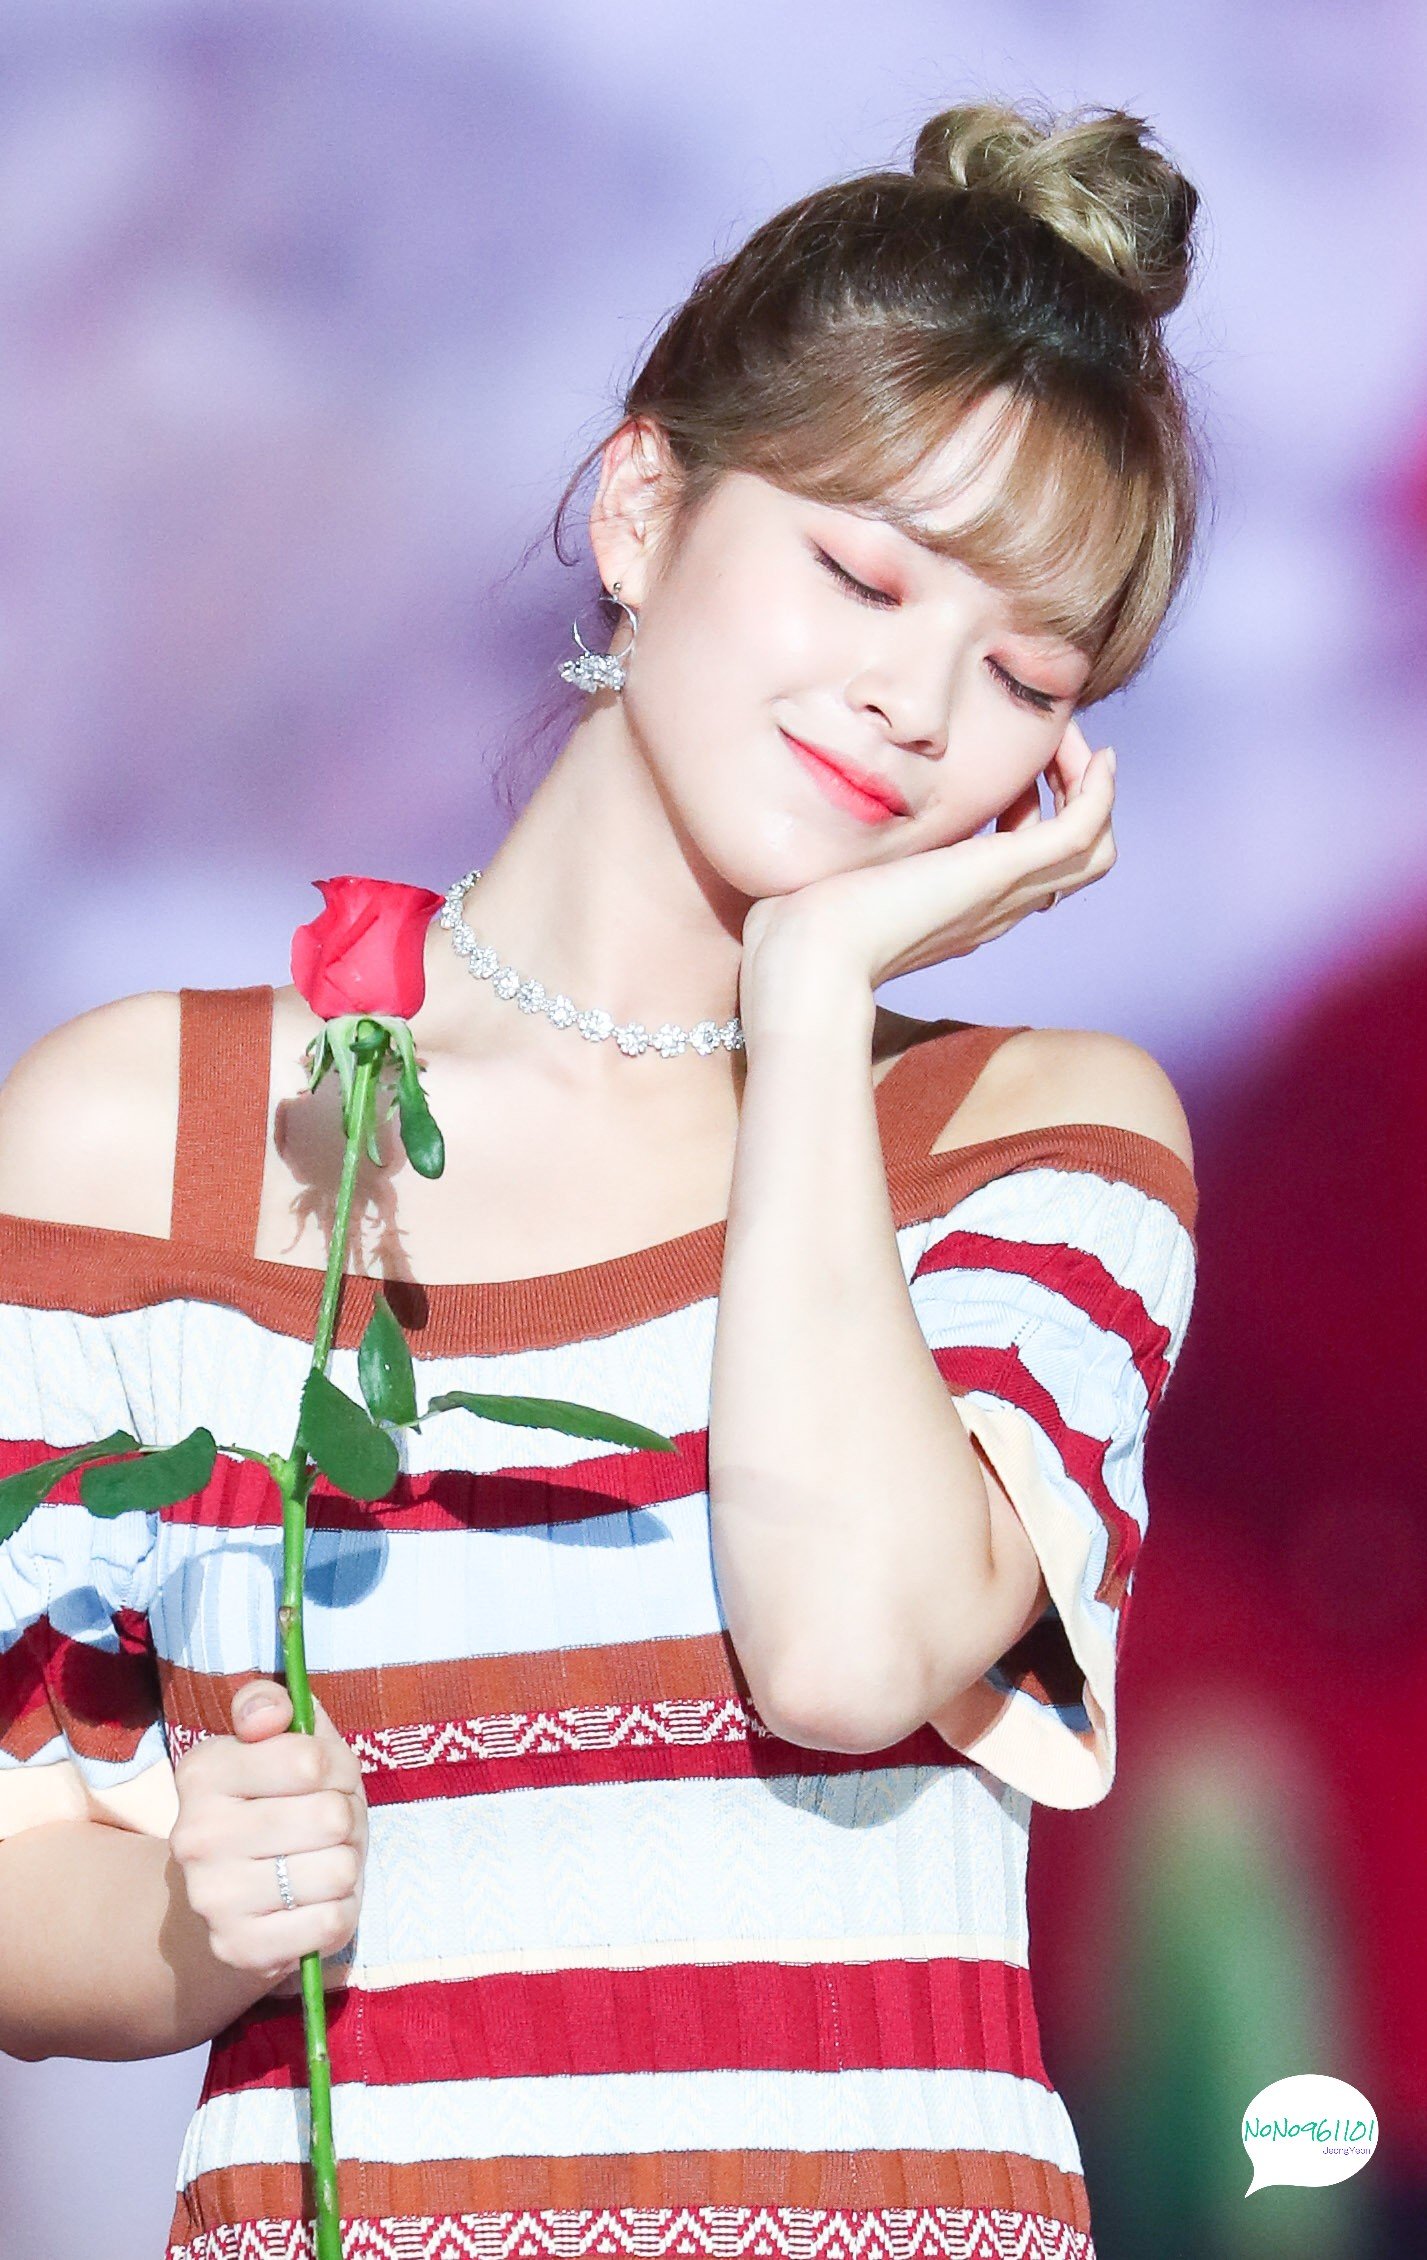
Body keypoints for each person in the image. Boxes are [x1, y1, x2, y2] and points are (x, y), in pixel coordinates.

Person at [0, 96, 1202, 2260]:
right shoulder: (141, 1135)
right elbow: (19, 1864)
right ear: (644, 504)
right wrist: (186, 1919)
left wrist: (812, 996)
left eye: (1025, 674)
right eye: (862, 574)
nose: (916, 702)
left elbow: (843, 1655)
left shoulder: (1032, 1144)